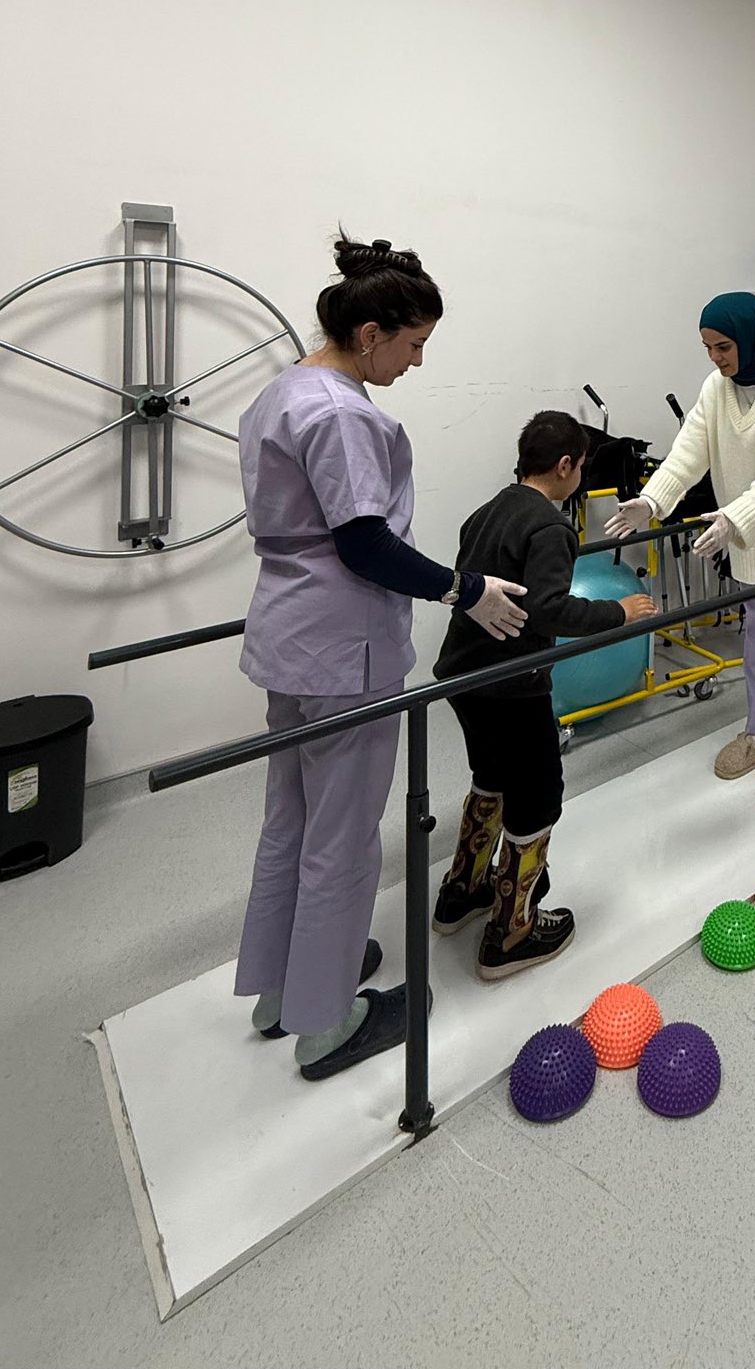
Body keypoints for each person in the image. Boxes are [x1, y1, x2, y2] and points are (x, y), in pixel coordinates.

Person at [233, 235, 527, 1082]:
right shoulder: (342, 413)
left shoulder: (283, 391)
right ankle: (326, 1022)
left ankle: (282, 988)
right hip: (344, 647)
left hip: (289, 636)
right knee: (343, 836)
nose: (418, 361)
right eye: (413, 344)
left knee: (291, 818)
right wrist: (465, 589)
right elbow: (365, 544)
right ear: (370, 335)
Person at [432, 411, 658, 978]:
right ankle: (511, 932)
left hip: (464, 677)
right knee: (537, 795)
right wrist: (619, 612)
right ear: (565, 466)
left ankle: (463, 891)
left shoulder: (485, 513)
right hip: (514, 684)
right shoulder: (551, 527)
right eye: (581, 466)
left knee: (491, 777)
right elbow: (549, 609)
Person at [607, 293, 755, 807]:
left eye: (724, 347)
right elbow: (689, 452)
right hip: (752, 544)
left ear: (751, 339)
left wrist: (734, 518)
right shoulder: (717, 389)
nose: (715, 358)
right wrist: (652, 501)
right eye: (708, 348)